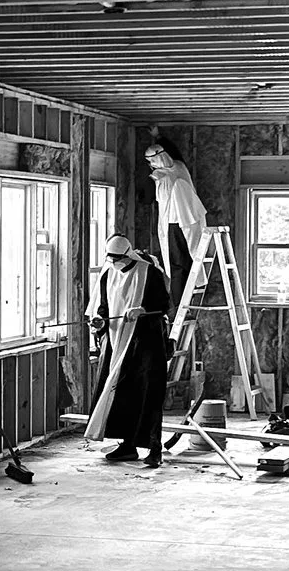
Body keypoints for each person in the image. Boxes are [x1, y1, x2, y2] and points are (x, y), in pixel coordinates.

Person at [85, 233, 170, 467]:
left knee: (148, 393)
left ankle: (154, 449)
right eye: (111, 259)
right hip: (116, 342)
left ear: (128, 255)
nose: (114, 263)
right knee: (122, 393)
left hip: (146, 343)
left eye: (118, 259)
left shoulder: (149, 273)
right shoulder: (108, 274)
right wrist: (99, 322)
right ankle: (127, 445)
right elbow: (103, 307)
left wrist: (143, 310)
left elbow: (164, 305)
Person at [144, 140, 207, 308]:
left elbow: (147, 198)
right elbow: (174, 153)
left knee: (177, 265)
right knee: (188, 260)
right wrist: (158, 137)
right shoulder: (180, 167)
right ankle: (185, 299)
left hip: (174, 222)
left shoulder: (161, 177)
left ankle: (179, 304)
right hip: (191, 220)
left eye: (150, 161)